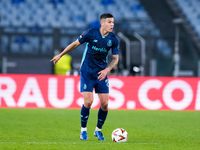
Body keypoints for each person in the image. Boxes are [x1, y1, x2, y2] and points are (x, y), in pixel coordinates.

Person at [51, 13, 119, 141]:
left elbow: (116, 59)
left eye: (113, 22)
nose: (112, 25)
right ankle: (83, 131)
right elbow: (75, 44)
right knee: (88, 102)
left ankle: (98, 130)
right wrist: (61, 54)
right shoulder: (90, 33)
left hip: (101, 73)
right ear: (102, 23)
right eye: (109, 22)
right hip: (87, 71)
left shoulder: (114, 39)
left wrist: (107, 70)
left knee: (105, 104)